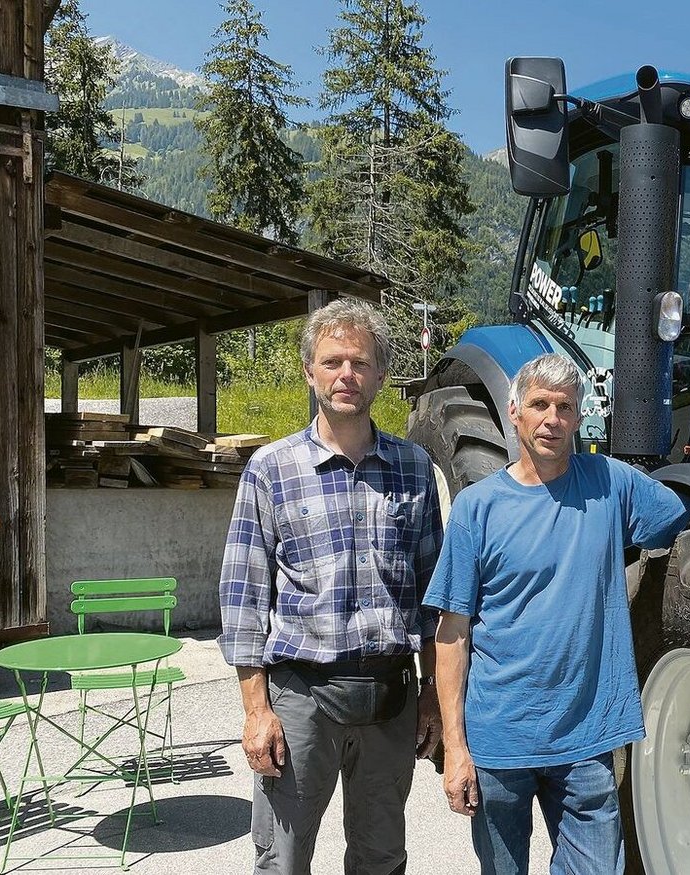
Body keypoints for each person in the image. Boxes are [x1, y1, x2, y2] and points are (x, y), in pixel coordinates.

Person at [425, 352, 690, 875]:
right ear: (514, 412)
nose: (552, 419)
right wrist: (456, 747)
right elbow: (452, 632)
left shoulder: (609, 482)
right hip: (501, 740)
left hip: (586, 740)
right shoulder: (479, 508)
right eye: (539, 405)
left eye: (565, 407)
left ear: (578, 417)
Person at [219, 299, 441, 875]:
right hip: (302, 699)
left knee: (381, 857)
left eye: (360, 362)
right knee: (283, 858)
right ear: (309, 372)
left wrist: (433, 694)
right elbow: (243, 598)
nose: (347, 374)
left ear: (381, 374)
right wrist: (256, 711)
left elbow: (432, 598)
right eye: (333, 361)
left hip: (390, 698)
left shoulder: (414, 468)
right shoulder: (271, 469)